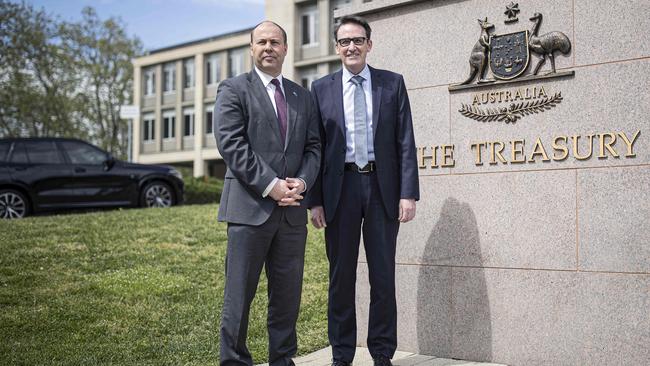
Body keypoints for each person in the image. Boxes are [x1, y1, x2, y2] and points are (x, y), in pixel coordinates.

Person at [308, 15, 419, 366]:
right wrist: (314, 201)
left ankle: (382, 353)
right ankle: (341, 355)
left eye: (358, 40)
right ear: (336, 47)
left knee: (382, 276)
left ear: (369, 45)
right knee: (340, 277)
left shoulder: (392, 84)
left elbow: (405, 141)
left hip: (381, 188)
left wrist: (408, 192)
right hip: (339, 190)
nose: (351, 46)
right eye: (344, 41)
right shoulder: (320, 88)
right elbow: (315, 147)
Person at [213, 20, 321, 366]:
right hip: (249, 210)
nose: (268, 47)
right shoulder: (233, 90)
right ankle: (233, 361)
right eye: (262, 42)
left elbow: (314, 147)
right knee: (239, 297)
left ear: (286, 49)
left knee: (287, 298)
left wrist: (301, 183)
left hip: (291, 215)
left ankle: (283, 359)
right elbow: (231, 145)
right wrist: (271, 186)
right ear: (252, 49)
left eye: (275, 42)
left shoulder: (302, 96)